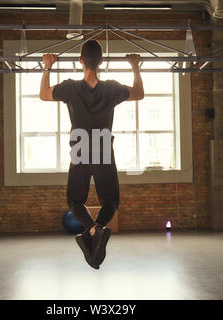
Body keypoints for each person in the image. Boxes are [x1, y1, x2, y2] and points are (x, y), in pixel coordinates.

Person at [39, 40, 144, 269]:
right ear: (101, 62)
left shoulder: (69, 87)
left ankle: (93, 228)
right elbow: (139, 93)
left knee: (75, 201)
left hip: (80, 148)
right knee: (111, 200)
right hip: (103, 147)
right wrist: (135, 66)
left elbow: (44, 95)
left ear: (80, 62)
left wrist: (47, 66)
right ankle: (98, 228)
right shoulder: (111, 88)